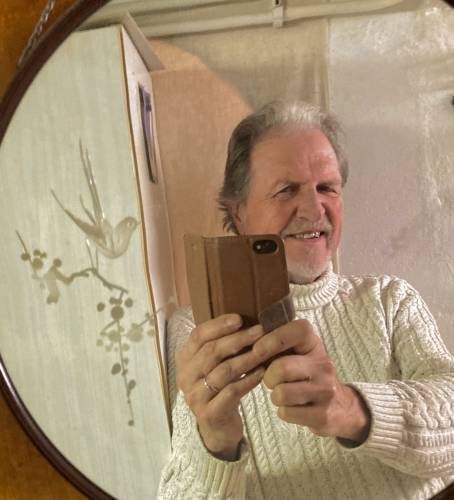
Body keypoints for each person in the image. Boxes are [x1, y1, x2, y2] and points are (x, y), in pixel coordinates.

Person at [157, 101, 454, 499]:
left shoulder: (390, 299)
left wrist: (352, 409)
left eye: (327, 188)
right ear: (238, 212)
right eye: (286, 190)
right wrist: (214, 445)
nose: (315, 209)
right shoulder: (198, 331)